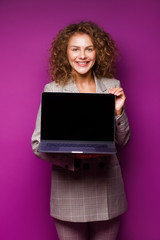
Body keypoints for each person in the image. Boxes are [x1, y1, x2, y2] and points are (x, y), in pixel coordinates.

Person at [31, 21, 130, 240]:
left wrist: (117, 111)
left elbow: (122, 142)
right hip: (69, 190)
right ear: (65, 53)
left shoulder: (111, 85)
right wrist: (75, 158)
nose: (82, 55)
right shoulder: (54, 89)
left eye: (89, 48)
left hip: (107, 190)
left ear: (98, 52)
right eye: (75, 49)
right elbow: (37, 145)